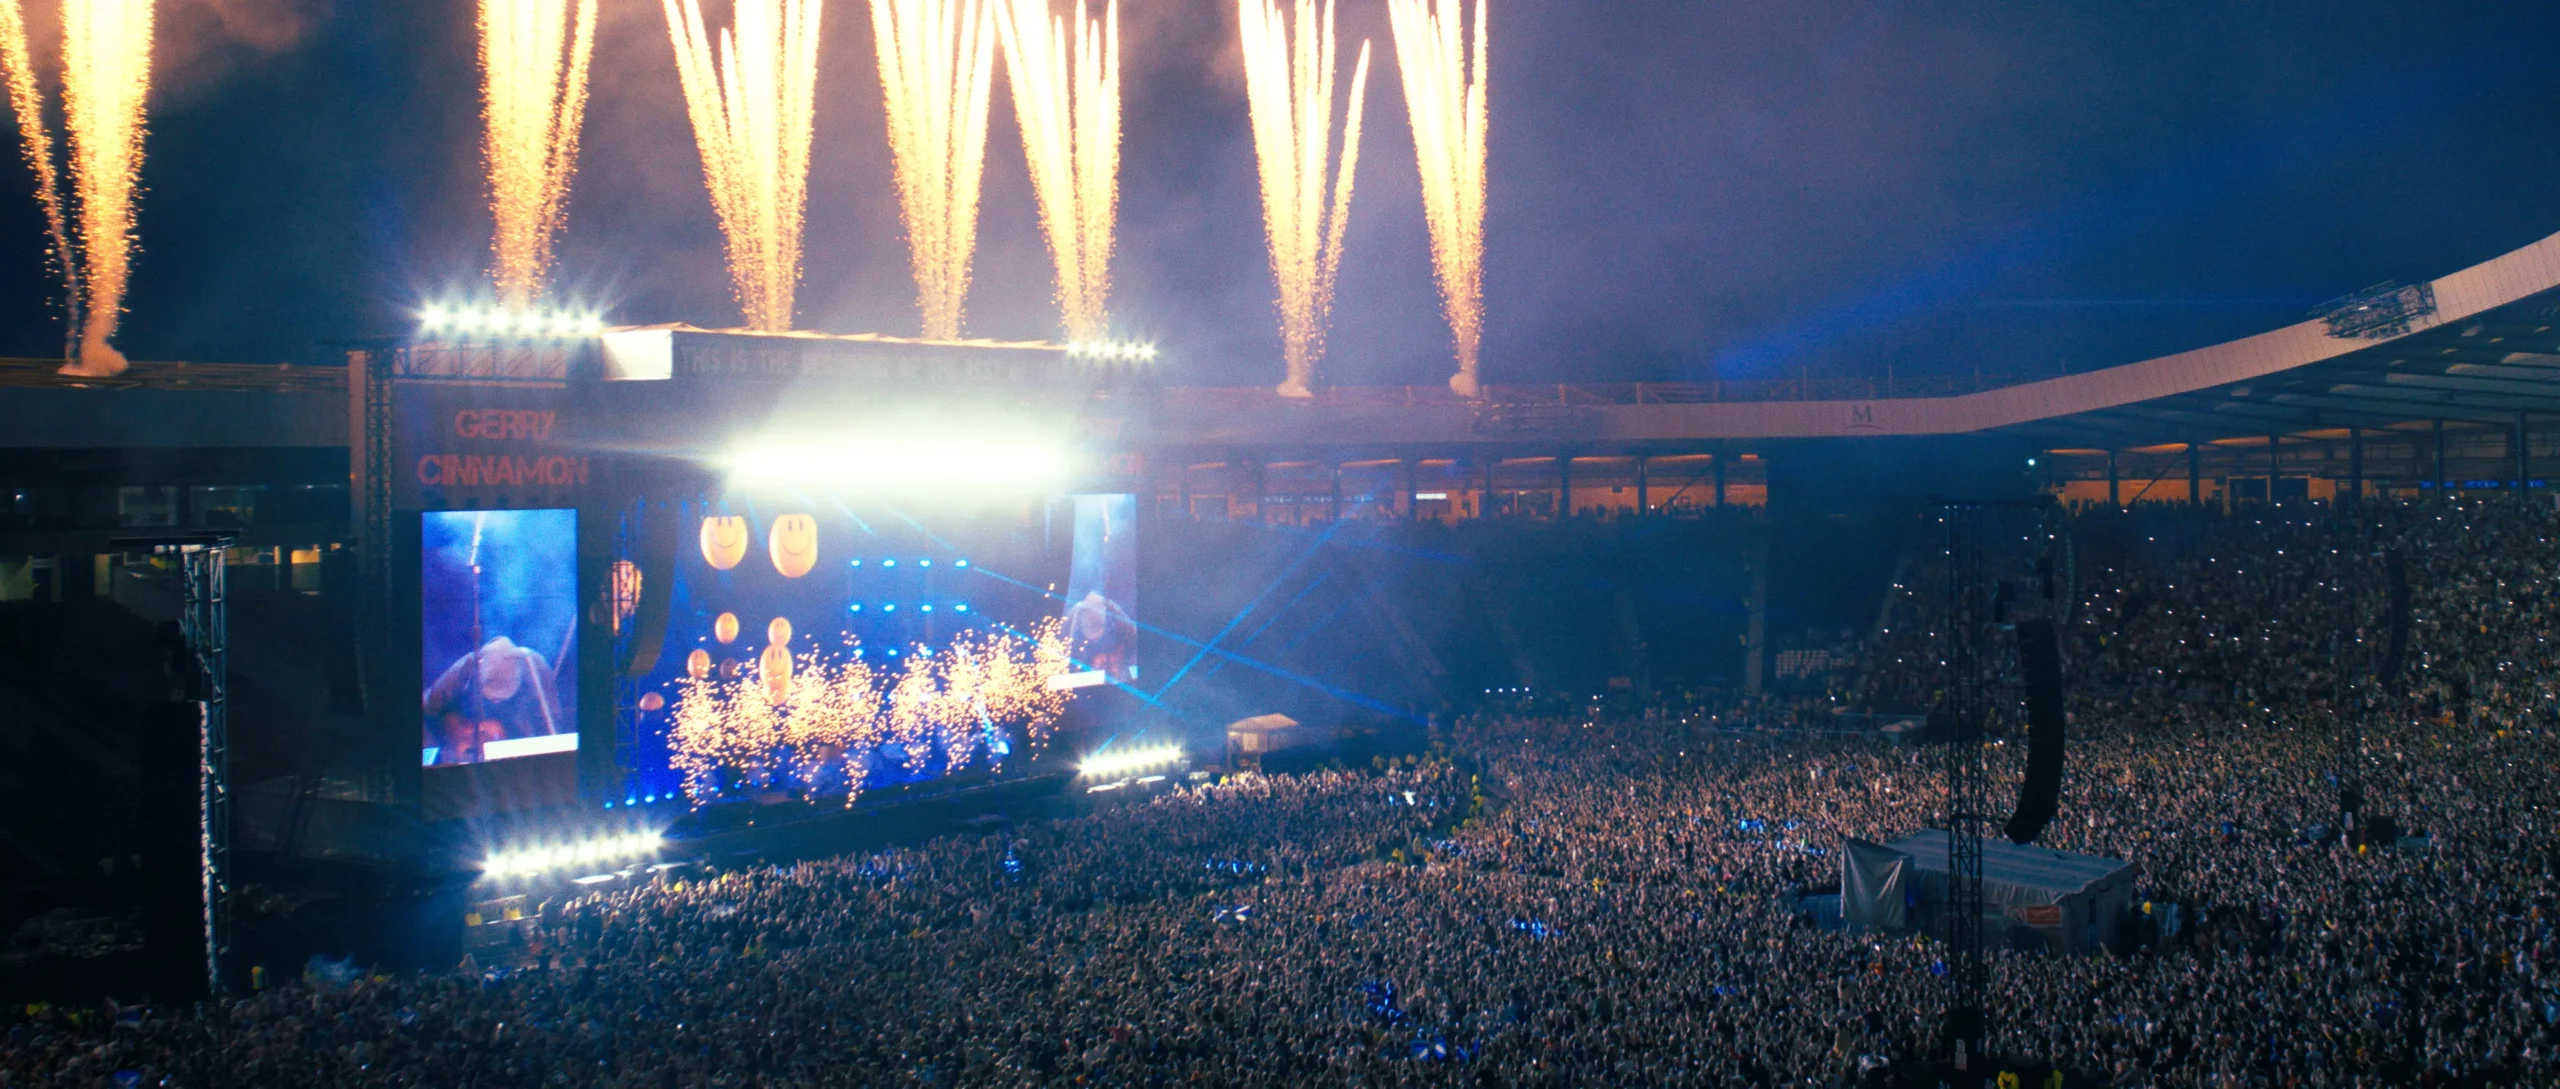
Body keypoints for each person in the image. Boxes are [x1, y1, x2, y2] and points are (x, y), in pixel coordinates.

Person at [422, 635, 564, 764]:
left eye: (501, 696)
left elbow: (551, 726)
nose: (496, 700)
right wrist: (457, 733)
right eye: (492, 695)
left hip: (519, 745)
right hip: (472, 742)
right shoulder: (469, 665)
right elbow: (426, 705)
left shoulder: (537, 670)